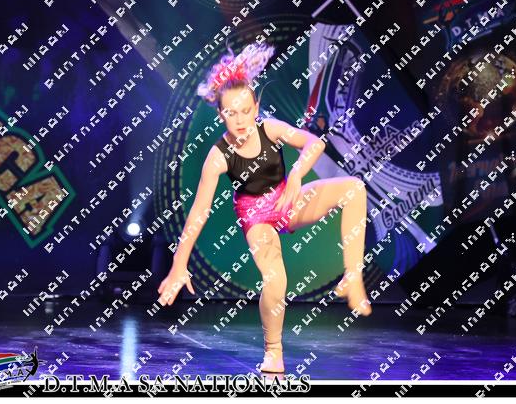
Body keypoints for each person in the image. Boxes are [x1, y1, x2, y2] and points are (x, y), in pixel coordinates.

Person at [156, 41, 372, 374]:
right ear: (220, 114)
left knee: (354, 189)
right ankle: (273, 350)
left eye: (246, 111)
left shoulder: (269, 129)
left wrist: (297, 175)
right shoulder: (218, 157)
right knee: (276, 279)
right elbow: (198, 213)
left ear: (256, 107)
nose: (240, 120)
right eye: (231, 113)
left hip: (287, 198)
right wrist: (178, 264)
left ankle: (352, 277)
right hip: (256, 217)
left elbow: (314, 143)